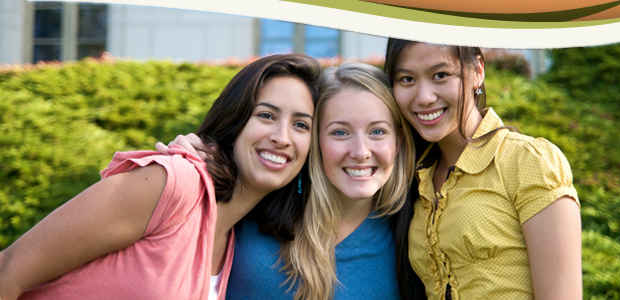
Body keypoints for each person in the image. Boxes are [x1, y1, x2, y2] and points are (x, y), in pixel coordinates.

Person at [0, 53, 323, 300]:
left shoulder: (235, 240)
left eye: (301, 125)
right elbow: (8, 270)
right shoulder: (174, 184)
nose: (282, 137)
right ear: (235, 120)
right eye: (266, 115)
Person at [162, 62, 420, 300]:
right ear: (314, 141)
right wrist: (196, 161)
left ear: (398, 142)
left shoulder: (412, 229)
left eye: (377, 131)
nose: (361, 152)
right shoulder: (256, 202)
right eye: (340, 132)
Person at [383, 39, 583, 300]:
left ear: (477, 71)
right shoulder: (413, 177)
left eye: (441, 75)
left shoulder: (528, 161)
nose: (424, 97)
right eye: (407, 79)